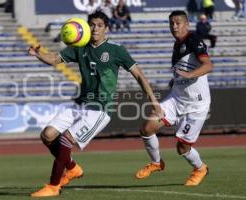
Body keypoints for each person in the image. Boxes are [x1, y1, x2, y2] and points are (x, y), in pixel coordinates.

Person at [28, 11, 162, 197]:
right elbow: (53, 59)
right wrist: (38, 54)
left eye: (99, 25)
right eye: (92, 24)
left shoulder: (116, 50)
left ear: (106, 28)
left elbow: (139, 75)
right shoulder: (79, 46)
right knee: (47, 135)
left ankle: (53, 186)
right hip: (80, 103)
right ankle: (72, 168)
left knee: (66, 139)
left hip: (100, 108)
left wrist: (154, 101)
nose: (95, 28)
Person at [135, 10, 213, 186]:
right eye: (171, 23)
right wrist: (176, 80)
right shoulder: (177, 45)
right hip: (177, 98)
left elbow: (208, 66)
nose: (174, 26)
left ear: (187, 24)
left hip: (197, 104)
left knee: (182, 148)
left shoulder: (194, 40)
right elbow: (181, 70)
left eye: (178, 23)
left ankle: (200, 168)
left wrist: (189, 74)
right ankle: (156, 163)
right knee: (147, 128)